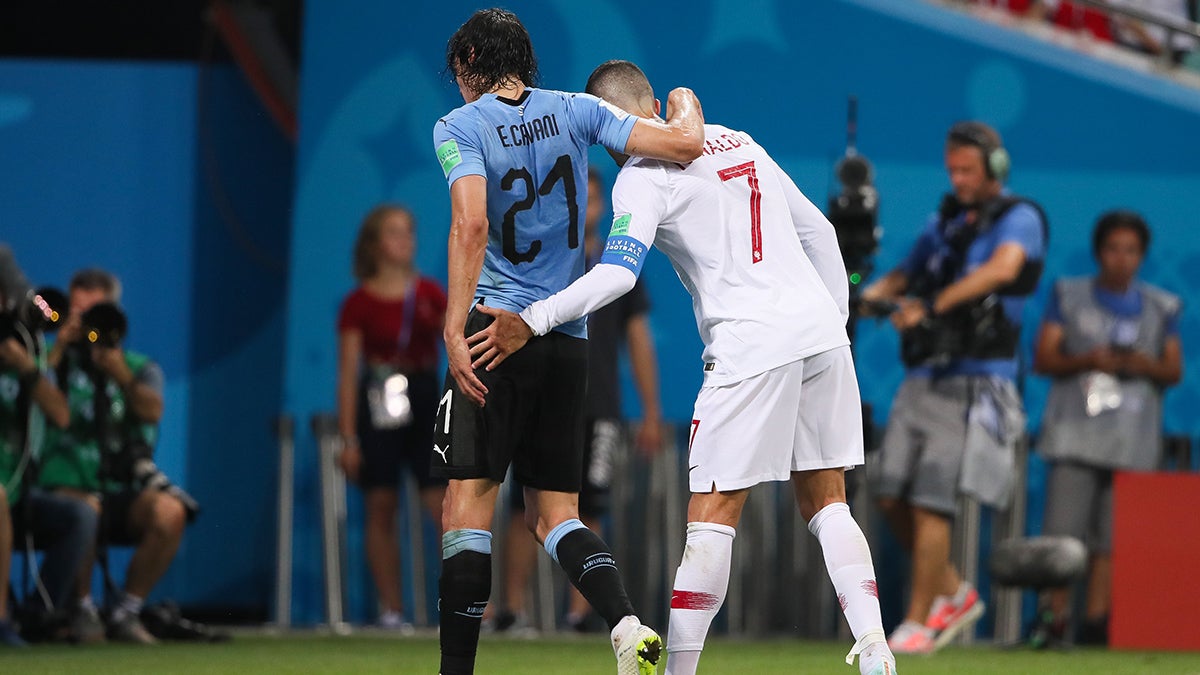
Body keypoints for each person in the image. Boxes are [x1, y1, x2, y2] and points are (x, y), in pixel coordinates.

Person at [466, 60, 897, 675]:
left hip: (751, 346)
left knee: (711, 519)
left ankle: (678, 672)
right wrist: (832, 326)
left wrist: (532, 318)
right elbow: (824, 235)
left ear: (612, 121)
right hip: (822, 336)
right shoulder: (738, 139)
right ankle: (877, 651)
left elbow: (617, 275)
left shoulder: (642, 176)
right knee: (829, 504)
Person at [431, 9, 703, 674]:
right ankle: (627, 622)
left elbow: (470, 224)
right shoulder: (578, 109)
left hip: (496, 329)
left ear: (469, 61)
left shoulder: (458, 126)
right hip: (568, 335)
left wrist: (452, 322)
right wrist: (687, 102)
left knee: (467, 499)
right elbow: (680, 143)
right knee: (556, 511)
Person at [860, 121, 1047, 654]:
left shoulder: (1022, 218)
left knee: (931, 499)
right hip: (924, 376)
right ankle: (951, 592)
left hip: (977, 380)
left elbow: (1001, 270)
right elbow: (906, 274)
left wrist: (934, 307)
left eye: (968, 169)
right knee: (891, 488)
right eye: (953, 170)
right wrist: (865, 295)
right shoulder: (942, 221)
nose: (959, 179)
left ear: (995, 168)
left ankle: (921, 620)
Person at [489, 169, 664, 635]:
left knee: (590, 507)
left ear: (601, 207)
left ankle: (583, 614)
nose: (583, 207)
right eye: (577, 198)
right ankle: (509, 611)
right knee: (525, 509)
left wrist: (650, 410)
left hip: (600, 406)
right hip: (542, 400)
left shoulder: (618, 270)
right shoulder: (540, 262)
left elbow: (639, 342)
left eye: (591, 199)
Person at [1028, 210, 1182, 648]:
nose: (1121, 258)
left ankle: (1096, 628)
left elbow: (1174, 369)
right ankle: (1053, 622)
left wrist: (1142, 365)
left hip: (1131, 440)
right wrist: (1087, 360)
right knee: (1062, 538)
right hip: (1075, 435)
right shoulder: (1069, 294)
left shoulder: (1163, 306)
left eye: (1131, 250)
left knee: (1110, 543)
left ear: (1142, 256)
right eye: (1113, 248)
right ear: (1099, 252)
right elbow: (1044, 357)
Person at [39, 268, 193, 644]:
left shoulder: (139, 367)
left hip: (116, 488)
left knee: (170, 512)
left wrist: (119, 373)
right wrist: (58, 348)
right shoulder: (45, 358)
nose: (86, 322)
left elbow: (152, 411)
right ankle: (83, 608)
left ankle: (126, 610)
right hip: (61, 487)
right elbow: (29, 396)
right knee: (86, 507)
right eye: (77, 311)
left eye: (95, 312)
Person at [336, 203, 447, 631]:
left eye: (409, 232)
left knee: (442, 507)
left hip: (424, 397)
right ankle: (391, 609)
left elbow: (455, 342)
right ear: (375, 244)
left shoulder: (430, 294)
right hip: (377, 400)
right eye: (395, 233)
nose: (405, 241)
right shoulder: (357, 303)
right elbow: (348, 375)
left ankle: (462, 606)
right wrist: (348, 439)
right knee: (380, 504)